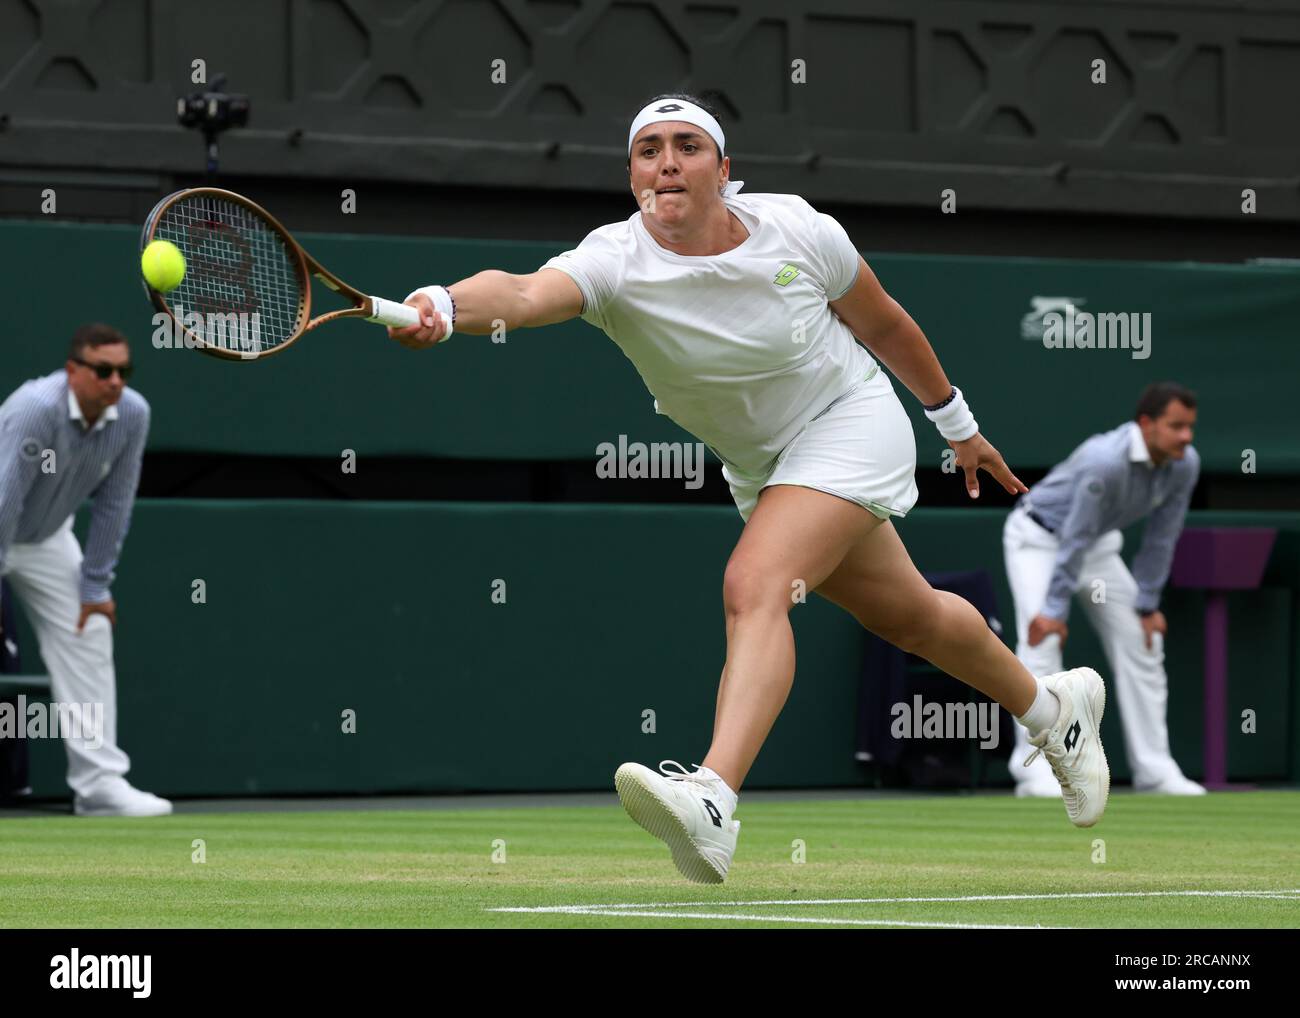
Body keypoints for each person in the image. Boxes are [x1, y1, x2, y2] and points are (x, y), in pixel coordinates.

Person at [389, 92, 1109, 883]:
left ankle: (714, 799)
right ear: (633, 175)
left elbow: (886, 324)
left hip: (849, 421)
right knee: (913, 618)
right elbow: (523, 294)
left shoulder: (798, 229)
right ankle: (1053, 711)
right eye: (649, 149)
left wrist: (958, 425)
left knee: (755, 583)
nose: (667, 161)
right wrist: (447, 304)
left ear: (724, 170)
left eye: (687, 146)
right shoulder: (613, 259)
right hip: (763, 464)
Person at [0, 323, 171, 816]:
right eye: (103, 370)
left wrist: (96, 584)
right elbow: (5, 497)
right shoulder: (37, 408)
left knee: (90, 624)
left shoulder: (132, 414)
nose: (115, 381)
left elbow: (116, 500)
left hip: (47, 537)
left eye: (123, 371)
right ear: (73, 370)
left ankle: (98, 786)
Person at [1004, 383, 1205, 797]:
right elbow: (1072, 538)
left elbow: (1163, 536)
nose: (1186, 437)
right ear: (1146, 424)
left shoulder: (1185, 464)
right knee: (1041, 643)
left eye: (1190, 427)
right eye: (1176, 427)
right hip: (1039, 540)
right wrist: (1054, 610)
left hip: (1096, 548)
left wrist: (1148, 602)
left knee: (1143, 639)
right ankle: (1035, 772)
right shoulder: (1105, 461)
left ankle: (1155, 769)